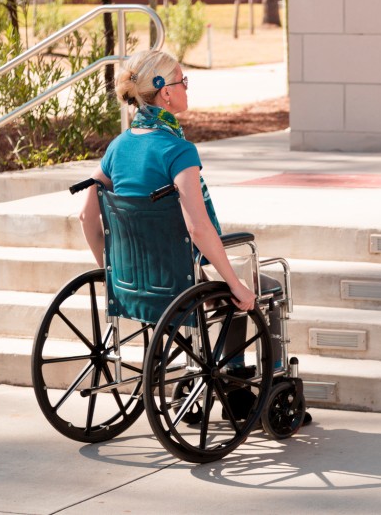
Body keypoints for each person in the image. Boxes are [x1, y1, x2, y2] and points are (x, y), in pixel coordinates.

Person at [79, 50, 278, 368]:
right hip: (180, 277)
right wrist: (235, 283)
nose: (187, 87)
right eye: (182, 81)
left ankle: (178, 370)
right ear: (166, 92)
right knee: (262, 288)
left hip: (136, 278)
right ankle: (237, 378)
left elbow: (87, 215)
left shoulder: (117, 147)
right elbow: (197, 227)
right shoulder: (177, 150)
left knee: (219, 283)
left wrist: (113, 270)